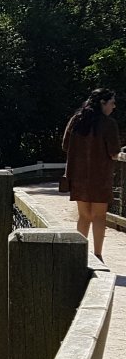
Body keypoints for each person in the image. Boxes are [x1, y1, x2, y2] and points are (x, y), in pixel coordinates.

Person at [61, 87, 121, 259]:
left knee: (84, 216)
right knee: (99, 216)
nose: (114, 106)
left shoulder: (77, 120)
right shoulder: (108, 124)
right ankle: (98, 255)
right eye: (112, 103)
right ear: (103, 103)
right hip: (100, 176)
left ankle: (79, 255)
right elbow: (114, 152)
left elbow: (65, 146)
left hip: (78, 176)